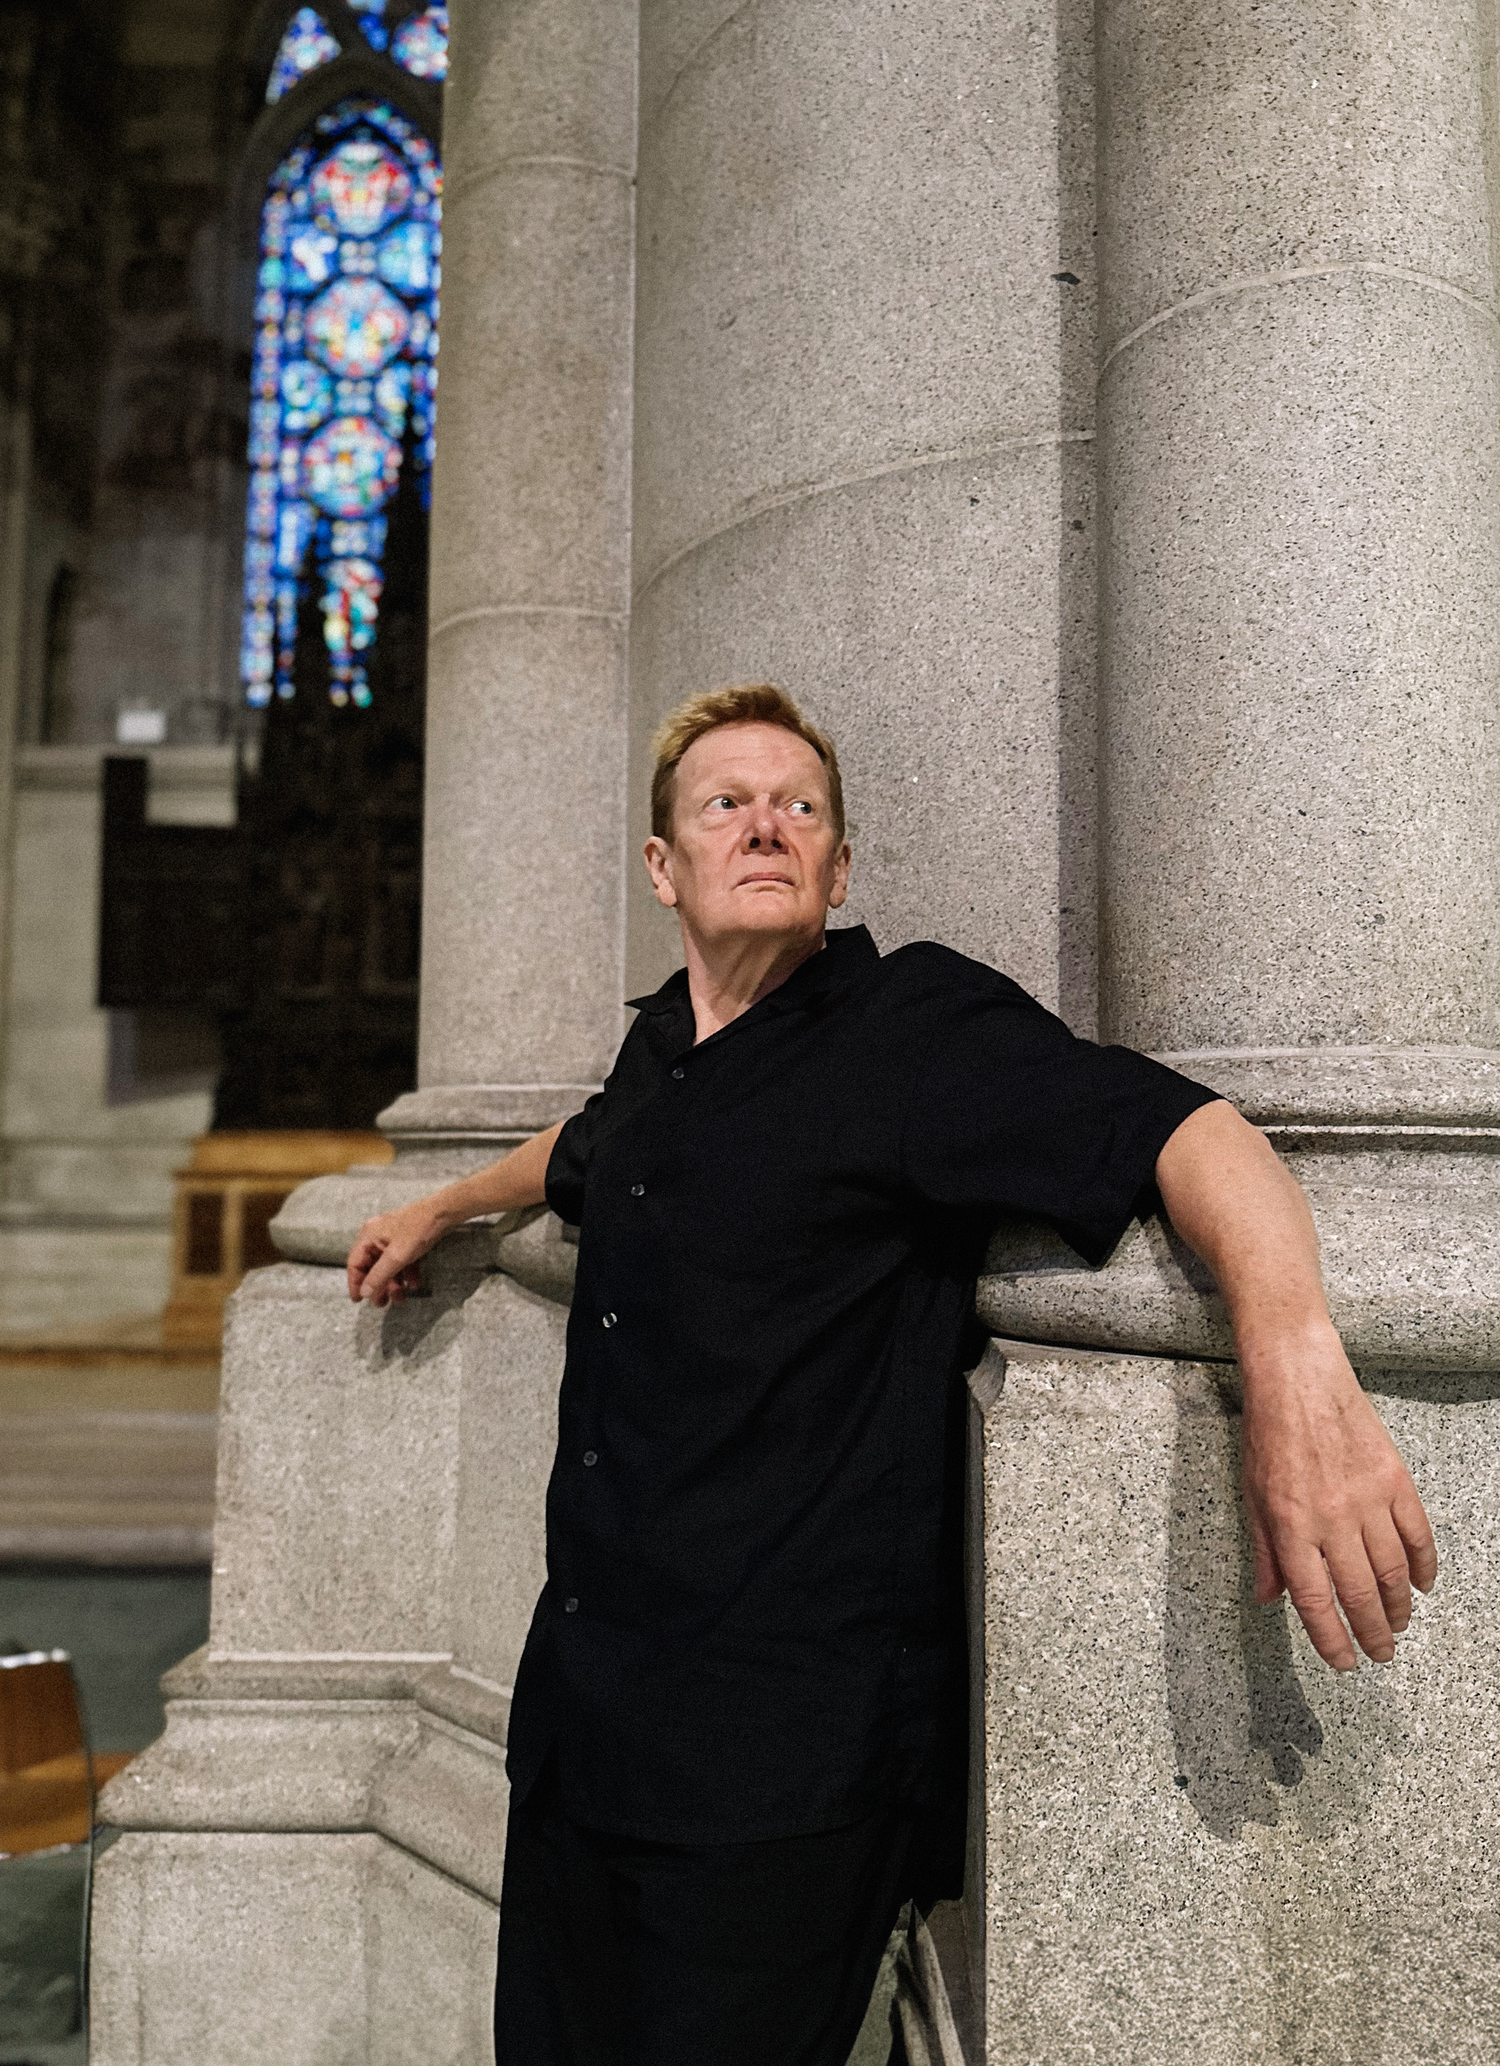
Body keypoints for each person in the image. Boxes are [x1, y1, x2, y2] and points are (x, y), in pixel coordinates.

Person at [346, 684, 1437, 2066]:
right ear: (663, 868)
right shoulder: (662, 1056)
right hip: (582, 1728)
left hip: (773, 1776)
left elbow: (1190, 1130)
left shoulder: (911, 1034)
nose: (767, 823)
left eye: (801, 806)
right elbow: (582, 1147)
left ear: (839, 867)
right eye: (725, 803)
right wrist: (445, 1203)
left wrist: (1296, 1363)